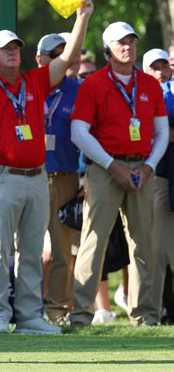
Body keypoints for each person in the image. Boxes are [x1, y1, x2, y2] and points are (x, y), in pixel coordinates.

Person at [0, 0, 93, 334]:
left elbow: (70, 56)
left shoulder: (35, 80)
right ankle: (0, 316)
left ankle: (30, 316)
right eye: (7, 49)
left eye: (17, 48)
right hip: (1, 178)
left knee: (31, 250)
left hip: (36, 177)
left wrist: (82, 17)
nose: (14, 53)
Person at [69, 22, 169, 327]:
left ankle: (145, 316)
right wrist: (113, 165)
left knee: (143, 243)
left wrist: (149, 166)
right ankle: (81, 315)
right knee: (93, 240)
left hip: (142, 168)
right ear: (107, 50)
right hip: (103, 170)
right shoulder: (94, 83)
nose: (127, 46)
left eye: (131, 41)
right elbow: (78, 132)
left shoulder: (149, 84)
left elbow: (161, 131)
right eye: (120, 42)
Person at [35, 33, 80, 325]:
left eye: (65, 55)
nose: (61, 61)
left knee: (63, 251)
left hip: (66, 178)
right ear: (40, 60)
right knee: (28, 249)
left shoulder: (78, 90)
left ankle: (56, 312)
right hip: (31, 177)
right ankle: (26, 309)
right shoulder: (28, 86)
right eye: (55, 56)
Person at [142, 48, 174, 324]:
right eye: (155, 67)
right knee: (157, 250)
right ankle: (151, 313)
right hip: (159, 176)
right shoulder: (143, 95)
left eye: (164, 66)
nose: (161, 72)